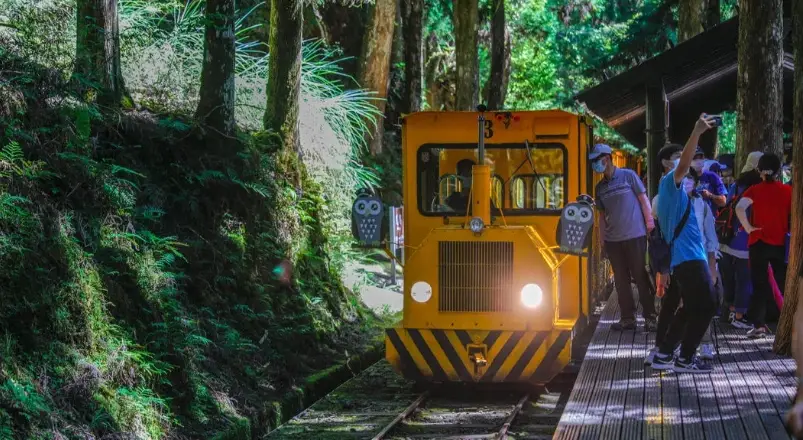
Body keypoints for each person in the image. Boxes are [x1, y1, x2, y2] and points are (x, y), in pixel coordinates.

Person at [650, 114, 719, 373]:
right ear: (666, 164)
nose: (685, 159)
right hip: (688, 258)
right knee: (708, 304)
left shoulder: (680, 194)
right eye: (678, 156)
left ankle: (665, 353)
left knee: (692, 306)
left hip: (687, 258)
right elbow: (684, 166)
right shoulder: (669, 183)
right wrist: (697, 132)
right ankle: (685, 357)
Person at [589, 143, 656, 332]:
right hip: (613, 241)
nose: (595, 165)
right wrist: (602, 241)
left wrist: (650, 225)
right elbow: (602, 216)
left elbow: (643, 200)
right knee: (621, 281)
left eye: (596, 160)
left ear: (607, 158)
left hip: (635, 236)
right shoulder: (600, 188)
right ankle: (628, 319)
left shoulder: (628, 176)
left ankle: (650, 317)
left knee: (640, 276)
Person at [735, 152, 792, 339]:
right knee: (782, 283)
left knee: (759, 284)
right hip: (781, 244)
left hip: (758, 241)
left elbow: (739, 208)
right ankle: (786, 323)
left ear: (759, 170)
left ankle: (759, 325)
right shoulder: (788, 191)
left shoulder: (754, 190)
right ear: (778, 170)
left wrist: (748, 227)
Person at [719, 151, 763, 329]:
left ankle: (728, 311)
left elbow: (727, 204)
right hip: (745, 240)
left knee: (729, 278)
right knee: (745, 279)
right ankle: (739, 315)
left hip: (727, 238)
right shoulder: (758, 188)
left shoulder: (736, 184)